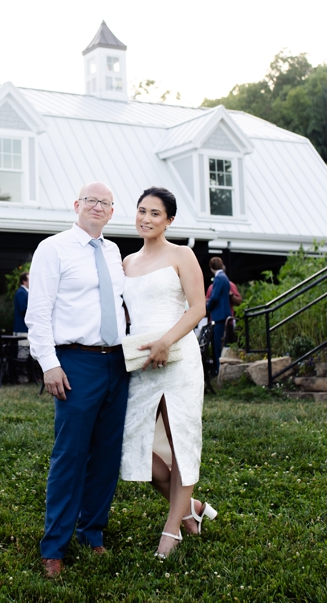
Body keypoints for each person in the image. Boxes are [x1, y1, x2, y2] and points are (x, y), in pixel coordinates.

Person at [27, 182, 128, 579]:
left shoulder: (114, 251)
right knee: (70, 455)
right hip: (75, 362)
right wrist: (49, 364)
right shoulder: (53, 249)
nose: (98, 207)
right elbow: (38, 312)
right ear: (77, 205)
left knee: (106, 454)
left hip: (116, 363)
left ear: (111, 211)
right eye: (91, 200)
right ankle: (54, 547)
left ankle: (92, 531)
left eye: (105, 203)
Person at [120, 186, 216, 559]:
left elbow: (197, 308)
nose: (146, 218)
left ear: (169, 220)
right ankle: (192, 507)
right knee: (142, 449)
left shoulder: (182, 254)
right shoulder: (126, 263)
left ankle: (173, 528)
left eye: (155, 213)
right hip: (141, 365)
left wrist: (165, 341)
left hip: (178, 359)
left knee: (181, 442)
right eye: (141, 210)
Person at [206, 257, 232, 374]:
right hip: (225, 314)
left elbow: (214, 297)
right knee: (224, 345)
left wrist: (207, 308)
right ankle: (223, 371)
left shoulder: (218, 278)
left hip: (219, 316)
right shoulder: (225, 278)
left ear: (211, 268)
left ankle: (219, 371)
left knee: (217, 345)